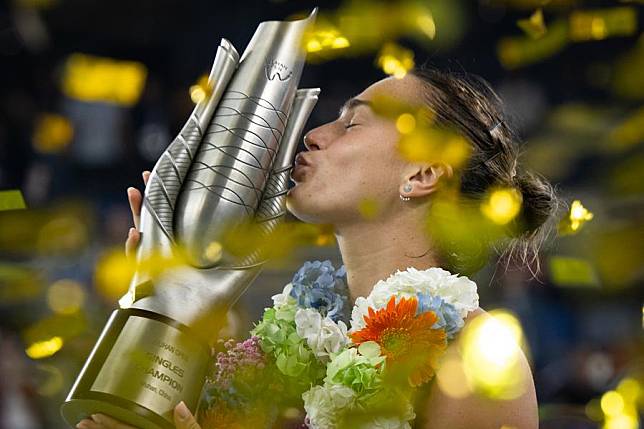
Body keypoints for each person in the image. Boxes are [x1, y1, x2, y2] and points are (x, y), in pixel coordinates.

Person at [77, 66, 560, 429]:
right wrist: (164, 301)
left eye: (352, 124)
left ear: (423, 173)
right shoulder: (280, 350)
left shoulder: (476, 357)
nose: (312, 135)